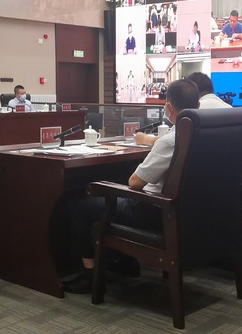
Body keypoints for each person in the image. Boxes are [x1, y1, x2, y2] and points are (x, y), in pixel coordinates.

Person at [68, 79, 201, 289]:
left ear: (168, 107)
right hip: (190, 211)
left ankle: (89, 275)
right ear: (198, 105)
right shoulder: (202, 134)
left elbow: (135, 182)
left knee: (78, 204)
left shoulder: (170, 141)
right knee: (117, 188)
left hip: (152, 211)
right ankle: (125, 262)